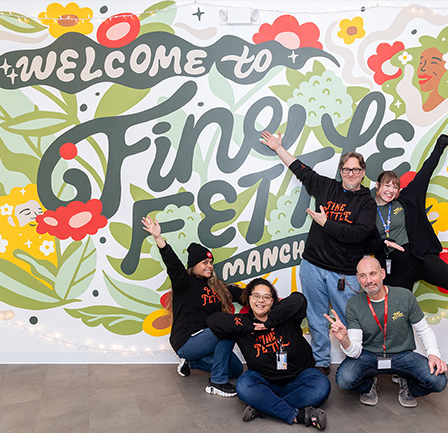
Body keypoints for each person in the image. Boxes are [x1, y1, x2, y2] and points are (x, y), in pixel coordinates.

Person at [260, 130, 377, 375]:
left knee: (348, 320)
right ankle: (321, 362)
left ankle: (355, 362)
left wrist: (326, 223)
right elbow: (301, 170)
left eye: (356, 170)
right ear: (341, 171)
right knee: (315, 316)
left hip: (345, 273)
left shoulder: (367, 202)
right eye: (346, 169)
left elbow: (358, 235)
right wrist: (278, 148)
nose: (351, 174)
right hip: (312, 266)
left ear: (363, 172)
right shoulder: (326, 187)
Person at [369, 133, 448, 330]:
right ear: (377, 186)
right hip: (394, 268)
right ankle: (397, 354)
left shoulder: (408, 198)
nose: (391, 190)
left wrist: (441, 143)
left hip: (419, 256)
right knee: (395, 315)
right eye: (387, 185)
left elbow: (426, 171)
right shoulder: (367, 210)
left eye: (395, 187)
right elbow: (363, 241)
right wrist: (383, 243)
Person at [207, 278, 330, 429]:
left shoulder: (286, 316)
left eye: (266, 297)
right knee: (244, 386)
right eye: (256, 296)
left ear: (273, 301)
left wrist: (269, 322)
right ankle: (296, 415)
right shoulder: (243, 324)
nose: (261, 300)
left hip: (299, 377)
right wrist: (248, 325)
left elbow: (299, 299)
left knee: (321, 386)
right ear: (248, 299)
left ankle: (264, 407)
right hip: (265, 381)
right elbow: (213, 320)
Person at [142, 216, 244, 397]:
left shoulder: (217, 286)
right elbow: (173, 265)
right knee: (228, 327)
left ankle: (191, 363)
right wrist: (159, 239)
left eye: (211, 263)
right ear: (194, 265)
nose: (209, 266)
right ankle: (217, 383)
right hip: (187, 340)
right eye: (205, 263)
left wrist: (269, 298)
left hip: (207, 340)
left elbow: (241, 295)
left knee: (235, 370)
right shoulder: (185, 283)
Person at [327, 257, 447, 408]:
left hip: (402, 355)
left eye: (372, 274)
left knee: (439, 381)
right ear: (358, 278)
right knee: (344, 380)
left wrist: (434, 354)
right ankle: (369, 383)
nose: (368, 280)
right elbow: (355, 352)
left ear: (382, 274)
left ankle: (409, 385)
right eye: (363, 276)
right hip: (369, 355)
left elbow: (424, 330)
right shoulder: (354, 304)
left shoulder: (405, 296)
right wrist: (344, 339)